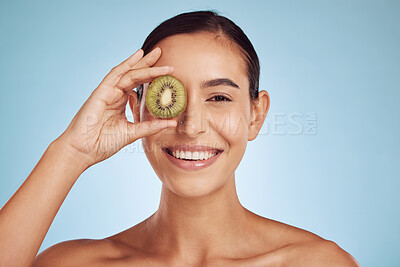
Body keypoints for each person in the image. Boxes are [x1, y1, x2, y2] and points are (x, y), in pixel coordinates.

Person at [0, 10, 359, 266]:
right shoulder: (72, 263)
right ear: (136, 108)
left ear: (256, 114)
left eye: (218, 97)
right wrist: (71, 152)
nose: (191, 126)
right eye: (170, 97)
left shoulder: (316, 262)